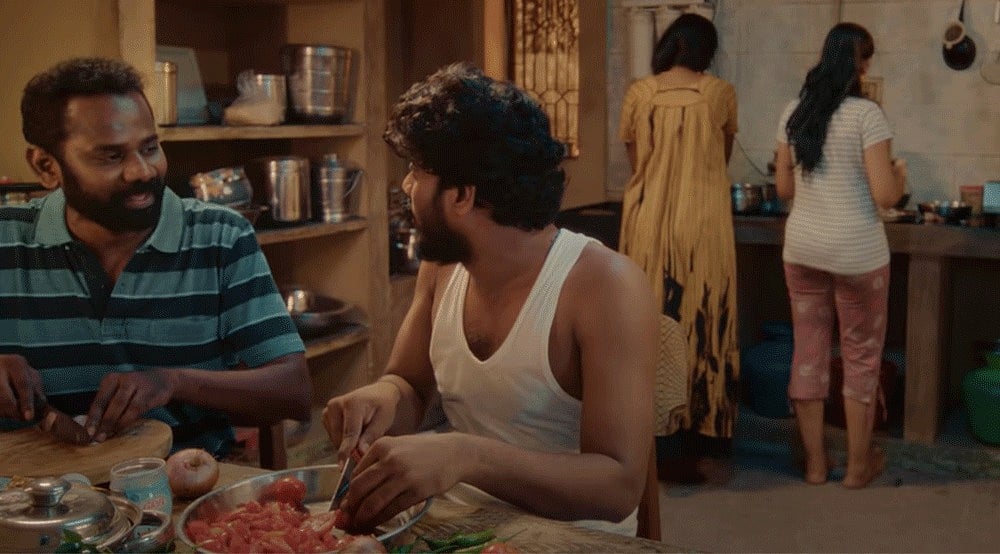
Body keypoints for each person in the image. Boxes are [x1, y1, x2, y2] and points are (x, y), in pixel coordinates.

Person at [322, 63, 658, 536]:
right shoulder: (443, 268)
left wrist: (467, 455)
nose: (407, 187)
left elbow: (618, 487)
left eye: (416, 171)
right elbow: (409, 385)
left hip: (571, 539)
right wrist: (382, 398)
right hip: (459, 525)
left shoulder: (605, 285)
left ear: (462, 195)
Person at [0, 57, 312, 458]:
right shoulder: (6, 238)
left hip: (181, 483)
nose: (143, 172)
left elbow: (293, 393)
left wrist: (173, 383)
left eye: (150, 148)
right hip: (27, 491)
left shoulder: (220, 237)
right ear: (46, 167)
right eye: (111, 157)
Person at [773, 22, 906, 488]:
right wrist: (900, 174)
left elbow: (784, 188)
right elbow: (885, 195)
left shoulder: (794, 112)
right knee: (861, 357)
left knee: (808, 351)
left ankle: (815, 465)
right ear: (861, 65)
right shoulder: (867, 115)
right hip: (857, 254)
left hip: (803, 250)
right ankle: (856, 467)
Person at [617, 12, 739, 483]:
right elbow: (721, 159)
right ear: (707, 51)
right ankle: (703, 439)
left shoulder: (640, 93)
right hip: (704, 226)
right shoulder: (720, 93)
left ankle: (652, 440)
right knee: (704, 324)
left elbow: (636, 162)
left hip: (647, 225)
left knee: (650, 323)